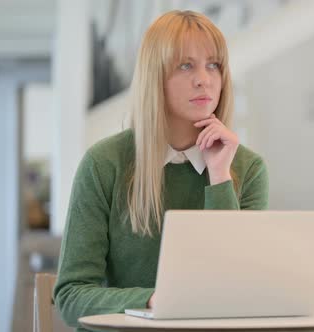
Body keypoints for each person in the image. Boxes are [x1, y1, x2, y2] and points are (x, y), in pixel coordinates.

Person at [54, 10, 269, 330]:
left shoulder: (246, 168)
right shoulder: (103, 164)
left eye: (214, 65)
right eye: (186, 65)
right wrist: (155, 300)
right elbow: (71, 297)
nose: (204, 79)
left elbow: (237, 290)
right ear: (155, 77)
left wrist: (220, 177)